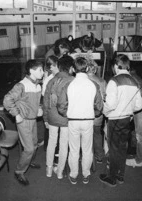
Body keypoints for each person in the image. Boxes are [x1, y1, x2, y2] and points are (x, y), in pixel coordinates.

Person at [99, 54, 142, 187]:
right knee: (122, 148)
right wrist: (128, 111)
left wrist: (104, 111)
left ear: (115, 66)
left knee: (113, 149)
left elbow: (110, 104)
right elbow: (139, 106)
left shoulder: (114, 81)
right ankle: (120, 175)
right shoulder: (134, 81)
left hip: (114, 120)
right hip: (126, 120)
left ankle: (111, 178)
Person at [58, 57, 103, 185]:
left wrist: (69, 113)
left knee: (74, 149)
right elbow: (99, 106)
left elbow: (61, 105)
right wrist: (92, 113)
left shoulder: (68, 85)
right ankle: (85, 174)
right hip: (88, 120)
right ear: (87, 68)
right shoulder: (94, 85)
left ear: (73, 69)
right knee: (87, 149)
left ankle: (73, 175)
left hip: (73, 120)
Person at [3, 60, 44, 186]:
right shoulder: (21, 85)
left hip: (32, 120)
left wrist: (39, 108)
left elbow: (35, 101)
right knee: (29, 148)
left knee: (35, 144)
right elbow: (7, 100)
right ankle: (19, 171)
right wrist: (17, 115)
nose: (43, 73)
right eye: (40, 70)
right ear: (31, 71)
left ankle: (28, 160)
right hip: (24, 121)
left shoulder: (38, 85)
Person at [43, 55, 75, 179]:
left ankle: (49, 170)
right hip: (66, 117)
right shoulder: (72, 80)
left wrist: (45, 118)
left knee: (52, 142)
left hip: (52, 116)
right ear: (71, 67)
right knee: (63, 144)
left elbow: (45, 101)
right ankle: (60, 171)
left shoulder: (51, 81)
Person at [126, 68, 142, 167]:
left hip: (141, 109)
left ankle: (140, 160)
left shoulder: (132, 78)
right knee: (141, 136)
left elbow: (141, 95)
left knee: (140, 137)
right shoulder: (136, 76)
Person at [86, 59, 107, 163]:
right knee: (97, 134)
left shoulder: (82, 81)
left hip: (84, 114)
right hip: (97, 113)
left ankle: (85, 157)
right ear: (95, 70)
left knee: (84, 136)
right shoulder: (102, 81)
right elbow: (104, 98)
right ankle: (99, 156)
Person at [41, 56, 59, 150]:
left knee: (54, 136)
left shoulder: (49, 79)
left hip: (54, 110)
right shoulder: (48, 80)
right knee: (53, 136)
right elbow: (45, 98)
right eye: (53, 65)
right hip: (53, 110)